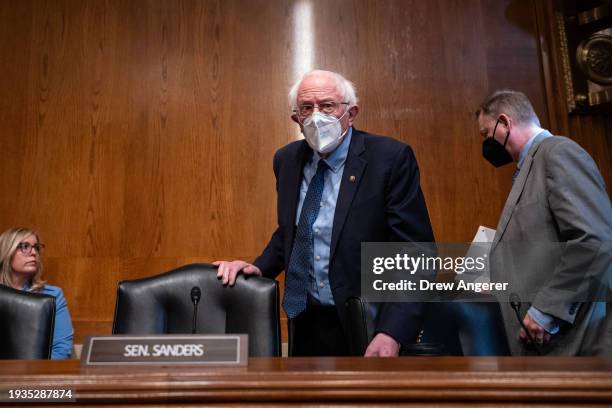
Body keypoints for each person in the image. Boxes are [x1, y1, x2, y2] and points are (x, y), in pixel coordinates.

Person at [215, 70, 434, 357]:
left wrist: (392, 332)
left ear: (351, 113)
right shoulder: (287, 160)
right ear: (296, 118)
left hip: (369, 324)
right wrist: (260, 267)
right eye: (307, 107)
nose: (316, 115)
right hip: (305, 320)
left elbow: (415, 252)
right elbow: (295, 230)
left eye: (328, 106)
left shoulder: (389, 159)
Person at [476, 90, 612, 355]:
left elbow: (594, 239)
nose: (485, 143)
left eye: (485, 134)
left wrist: (547, 310)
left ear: (504, 123)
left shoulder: (558, 152)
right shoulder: (532, 164)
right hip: (552, 344)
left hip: (578, 342)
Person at [0, 227, 74, 359]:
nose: (33, 253)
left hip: (37, 375)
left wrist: (33, 375)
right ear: (7, 251)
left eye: (36, 247)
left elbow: (61, 349)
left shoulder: (52, 295)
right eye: (25, 246)